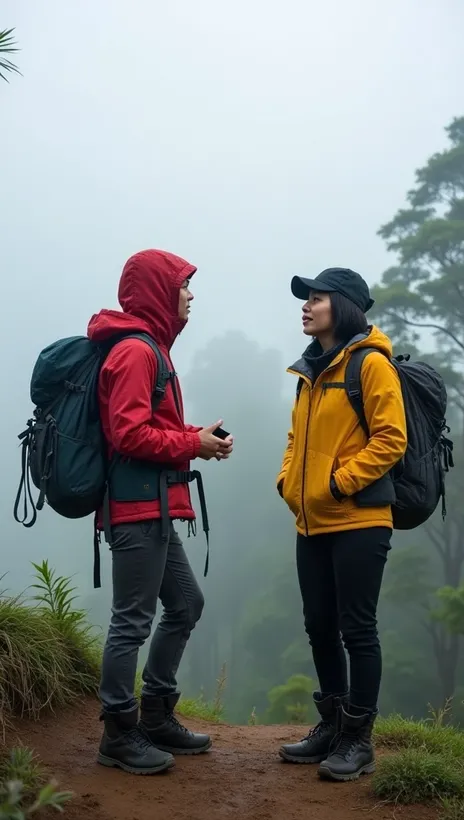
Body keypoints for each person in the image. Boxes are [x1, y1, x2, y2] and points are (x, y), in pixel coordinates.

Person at [87, 249, 233, 775]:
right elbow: (128, 433)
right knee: (132, 623)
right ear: (157, 291)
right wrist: (194, 443)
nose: (191, 296)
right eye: (184, 286)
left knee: (186, 604)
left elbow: (147, 429)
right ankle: (119, 733)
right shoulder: (135, 353)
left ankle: (156, 716)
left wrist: (196, 441)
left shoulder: (152, 350)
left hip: (156, 508)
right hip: (135, 510)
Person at [277, 267, 407, 782]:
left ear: (346, 306)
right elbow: (295, 440)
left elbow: (390, 439)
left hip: (359, 520)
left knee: (358, 630)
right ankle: (332, 726)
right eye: (305, 299)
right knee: (318, 627)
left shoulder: (371, 364)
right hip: (311, 524)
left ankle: (358, 740)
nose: (306, 306)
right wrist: (290, 483)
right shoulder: (310, 370)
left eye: (318, 298)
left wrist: (337, 484)